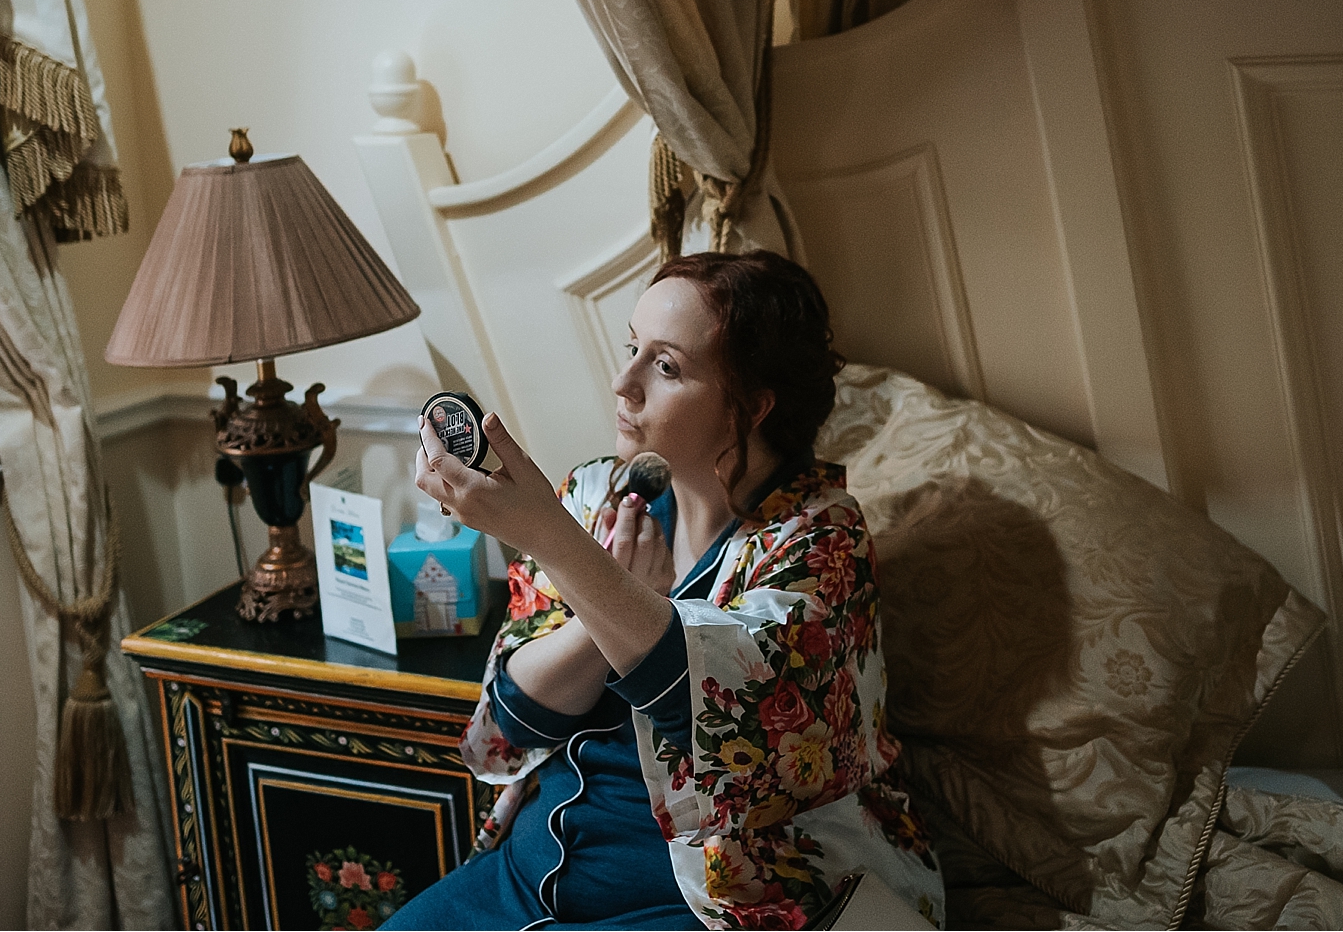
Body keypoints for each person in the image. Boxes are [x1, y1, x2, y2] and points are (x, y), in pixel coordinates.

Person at [384, 251, 943, 930]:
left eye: (666, 365)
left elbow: (723, 720)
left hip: (711, 902)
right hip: (526, 879)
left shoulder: (819, 538)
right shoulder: (595, 496)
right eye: (630, 347)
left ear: (753, 407)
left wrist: (556, 541)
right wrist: (600, 607)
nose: (623, 381)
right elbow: (513, 717)